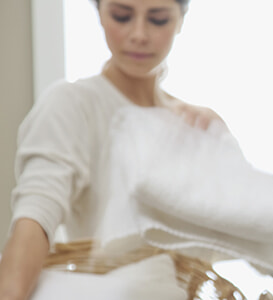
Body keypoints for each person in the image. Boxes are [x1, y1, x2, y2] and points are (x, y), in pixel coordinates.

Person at [0, 0, 222, 298]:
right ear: (100, 14)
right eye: (121, 15)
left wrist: (218, 151)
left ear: (181, 19)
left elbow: (228, 242)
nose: (139, 34)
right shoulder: (73, 105)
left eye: (157, 19)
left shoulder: (197, 126)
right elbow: (36, 216)